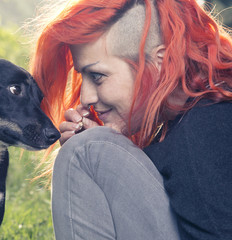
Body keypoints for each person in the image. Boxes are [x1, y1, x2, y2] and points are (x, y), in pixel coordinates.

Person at [29, 0, 232, 239]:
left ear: (159, 62)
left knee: (84, 151)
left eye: (97, 76)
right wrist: (108, 157)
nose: (85, 97)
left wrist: (93, 150)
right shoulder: (193, 119)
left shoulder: (202, 133)